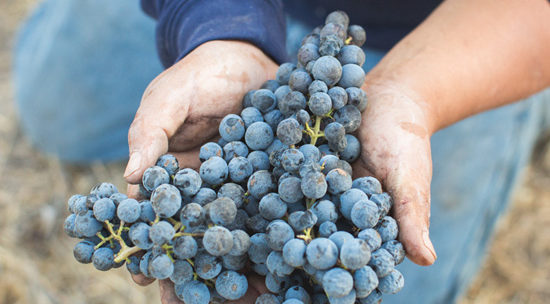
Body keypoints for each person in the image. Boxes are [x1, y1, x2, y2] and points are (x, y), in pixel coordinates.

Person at [13, 0, 550, 303]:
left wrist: (413, 97)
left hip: (448, 32)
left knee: (399, 290)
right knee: (56, 111)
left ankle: (521, 103)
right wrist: (217, 28)